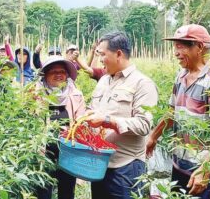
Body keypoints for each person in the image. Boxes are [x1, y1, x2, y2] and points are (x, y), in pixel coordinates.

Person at [146, 24, 210, 199]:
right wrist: (153, 137)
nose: (175, 52)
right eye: (174, 47)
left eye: (180, 46)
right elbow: (172, 112)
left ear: (199, 47)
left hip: (201, 168)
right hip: (179, 163)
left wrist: (206, 169)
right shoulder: (181, 75)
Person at [83, 32, 158, 199]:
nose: (100, 59)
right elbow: (94, 109)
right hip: (100, 164)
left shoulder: (142, 84)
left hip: (126, 167)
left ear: (118, 54)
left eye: (102, 54)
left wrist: (107, 120)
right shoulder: (104, 80)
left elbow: (144, 124)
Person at [35, 56, 86, 199]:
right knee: (43, 191)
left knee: (67, 191)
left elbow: (81, 122)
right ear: (45, 75)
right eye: (54, 71)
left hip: (68, 151)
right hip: (44, 152)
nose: (59, 74)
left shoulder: (75, 94)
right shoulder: (36, 95)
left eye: (62, 71)